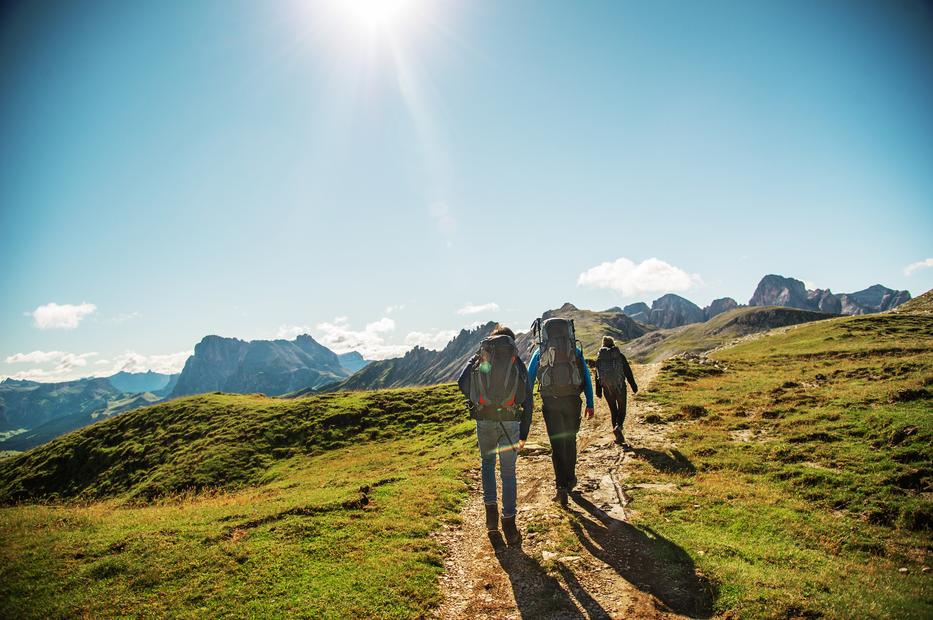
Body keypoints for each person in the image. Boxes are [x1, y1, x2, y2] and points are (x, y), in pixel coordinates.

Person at [458, 324, 532, 546]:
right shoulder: (516, 361)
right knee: (508, 473)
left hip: (485, 420)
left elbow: (462, 383)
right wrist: (524, 432)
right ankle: (509, 525)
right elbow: (527, 399)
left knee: (487, 464)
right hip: (510, 422)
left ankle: (491, 518)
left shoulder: (483, 358)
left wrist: (479, 400)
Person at [526, 317, 594, 507]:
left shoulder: (540, 352)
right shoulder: (575, 351)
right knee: (570, 440)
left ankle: (561, 487)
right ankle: (570, 479)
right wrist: (590, 403)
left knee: (557, 444)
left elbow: (529, 380)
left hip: (551, 402)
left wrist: (527, 405)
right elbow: (586, 378)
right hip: (573, 401)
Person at [594, 336, 638, 446]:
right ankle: (618, 427)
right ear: (613, 343)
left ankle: (618, 436)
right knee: (622, 409)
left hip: (607, 389)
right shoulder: (619, 356)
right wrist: (633, 385)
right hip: (620, 387)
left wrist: (598, 391)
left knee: (613, 411)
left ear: (603, 344)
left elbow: (597, 376)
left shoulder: (599, 359)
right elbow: (628, 371)